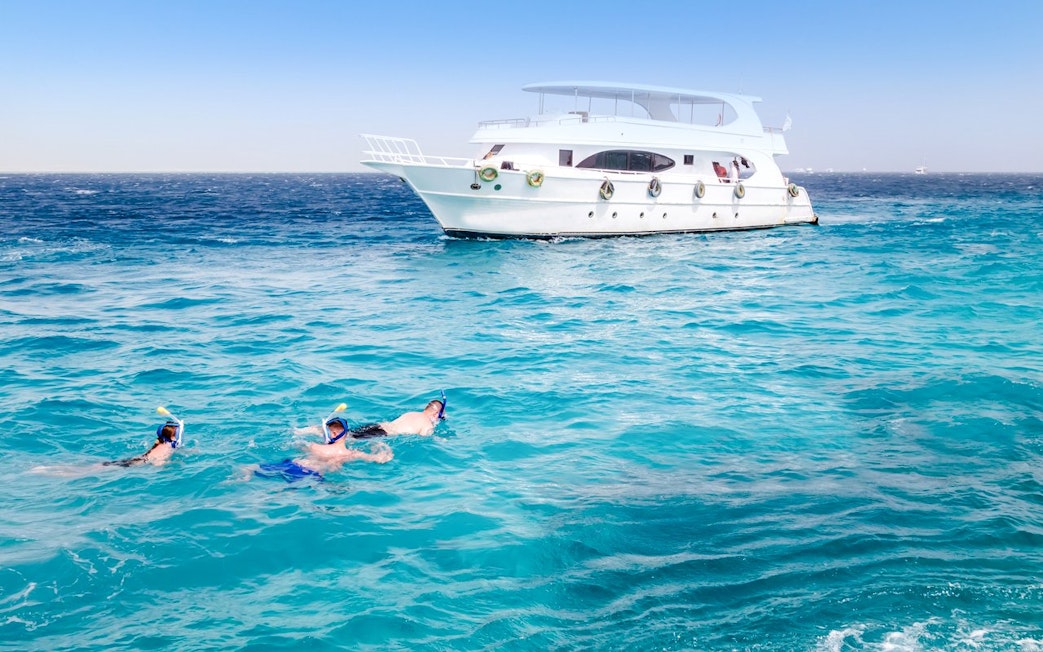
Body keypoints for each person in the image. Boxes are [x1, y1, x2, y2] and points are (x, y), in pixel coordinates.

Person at [253, 434, 392, 482]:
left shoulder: (313, 446)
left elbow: (296, 443)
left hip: (293, 464)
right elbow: (381, 459)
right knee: (281, 494)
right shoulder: (351, 453)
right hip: (310, 474)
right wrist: (382, 447)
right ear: (346, 435)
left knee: (250, 469)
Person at [103, 409, 184, 468]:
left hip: (138, 459)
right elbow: (157, 463)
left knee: (107, 465)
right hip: (138, 463)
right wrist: (170, 463)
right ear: (172, 436)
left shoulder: (161, 443)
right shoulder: (167, 447)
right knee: (110, 467)